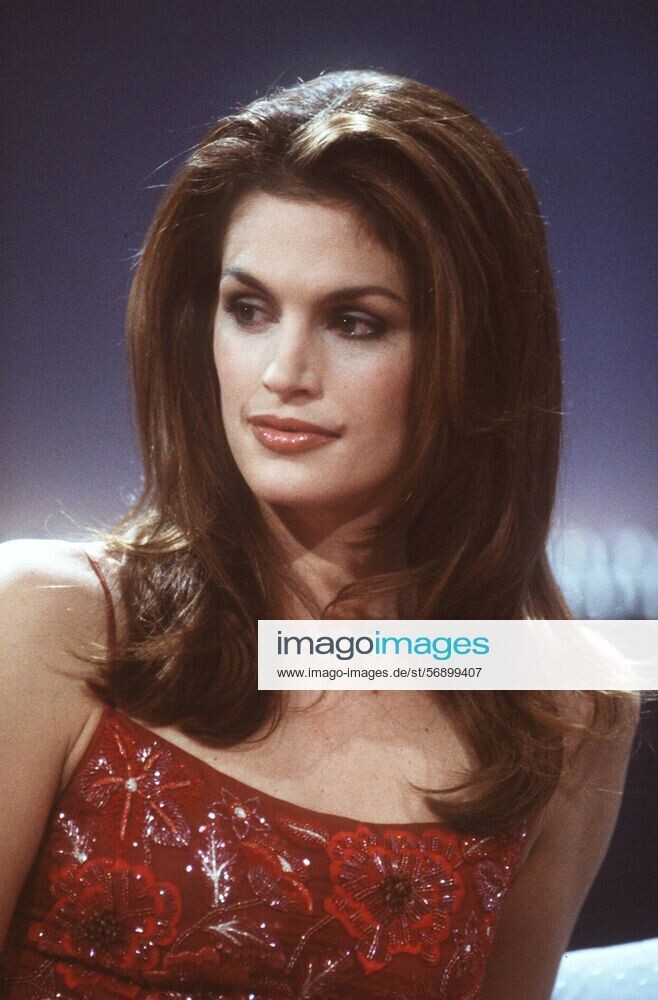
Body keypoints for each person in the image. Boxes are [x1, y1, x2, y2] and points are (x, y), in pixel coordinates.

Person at [0, 70, 639, 999]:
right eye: (249, 309)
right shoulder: (47, 622)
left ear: (476, 357)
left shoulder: (566, 709)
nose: (283, 372)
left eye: (354, 322)